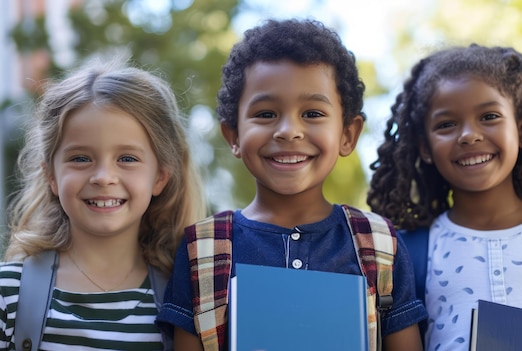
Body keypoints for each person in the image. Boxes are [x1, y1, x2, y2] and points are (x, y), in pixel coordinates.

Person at [156, 18, 426, 351]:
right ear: (234, 136)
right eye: (266, 114)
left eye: (312, 113)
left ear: (347, 134)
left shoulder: (382, 244)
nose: (288, 130)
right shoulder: (202, 248)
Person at [367, 43, 522, 351]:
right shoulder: (408, 251)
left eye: (489, 116)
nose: (469, 135)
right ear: (424, 147)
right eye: (446, 124)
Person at [0, 58, 206, 350]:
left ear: (160, 176)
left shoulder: (188, 304)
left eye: (127, 159)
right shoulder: (9, 296)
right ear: (51, 176)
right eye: (81, 158)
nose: (103, 177)